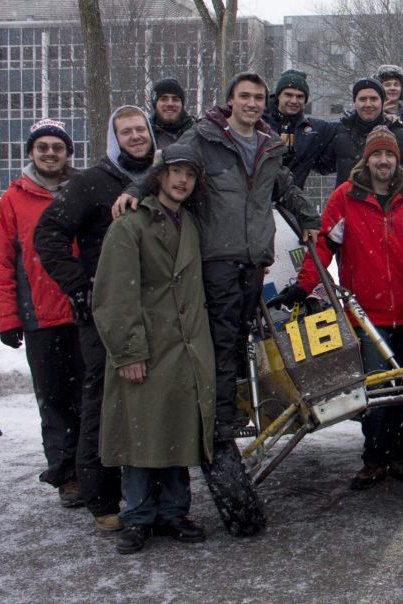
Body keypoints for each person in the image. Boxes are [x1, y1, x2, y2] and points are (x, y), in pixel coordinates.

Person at [115, 72, 321, 448]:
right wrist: (133, 190)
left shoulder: (269, 145)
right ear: (231, 99)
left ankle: (229, 408)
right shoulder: (206, 137)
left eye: (259, 97)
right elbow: (164, 163)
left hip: (255, 258)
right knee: (222, 340)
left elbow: (286, 186)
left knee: (242, 336)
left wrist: (309, 219)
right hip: (217, 258)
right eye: (245, 96)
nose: (252, 103)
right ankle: (220, 419)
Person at [271, 127, 403, 495]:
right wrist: (302, 287)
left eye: (389, 156)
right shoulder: (345, 197)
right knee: (376, 392)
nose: (383, 161)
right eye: (377, 155)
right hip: (367, 315)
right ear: (367, 160)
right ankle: (375, 459)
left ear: (397, 160)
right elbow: (323, 250)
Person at [35, 105, 157, 532]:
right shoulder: (91, 182)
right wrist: (79, 285)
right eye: (126, 132)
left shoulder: (161, 179)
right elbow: (47, 233)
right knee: (102, 403)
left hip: (153, 310)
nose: (136, 137)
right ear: (114, 137)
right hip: (104, 312)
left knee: (147, 404)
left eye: (141, 129)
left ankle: (147, 496)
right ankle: (101, 498)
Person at [92, 144, 214, 554]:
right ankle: (138, 516)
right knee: (141, 435)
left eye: (190, 175)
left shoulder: (191, 224)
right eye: (175, 172)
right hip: (148, 346)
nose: (182, 181)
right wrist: (129, 353)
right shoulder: (129, 226)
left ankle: (174, 512)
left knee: (176, 430)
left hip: (184, 348)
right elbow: (113, 296)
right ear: (159, 176)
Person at [0, 119, 84, 508]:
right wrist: (8, 319)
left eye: (57, 147)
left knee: (89, 396)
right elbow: (0, 263)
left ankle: (94, 466)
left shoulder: (81, 191)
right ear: (31, 153)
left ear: (67, 154)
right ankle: (66, 474)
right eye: (42, 147)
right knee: (55, 399)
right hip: (40, 317)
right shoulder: (13, 198)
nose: (49, 153)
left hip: (83, 312)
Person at [320, 78, 403, 188]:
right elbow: (322, 166)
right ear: (355, 102)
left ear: (382, 103)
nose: (368, 104)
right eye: (362, 99)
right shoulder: (340, 133)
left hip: (385, 203)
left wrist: (392, 169)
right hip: (347, 202)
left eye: (373, 99)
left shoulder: (399, 134)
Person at [262, 69, 336, 188]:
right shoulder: (259, 122)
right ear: (278, 96)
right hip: (257, 200)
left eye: (300, 96)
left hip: (291, 201)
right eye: (288, 95)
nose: (294, 101)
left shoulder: (313, 130)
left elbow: (346, 127)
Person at [150, 78, 194, 150]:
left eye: (175, 99)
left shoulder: (197, 133)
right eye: (164, 99)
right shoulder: (145, 135)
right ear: (155, 104)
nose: (170, 104)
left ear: (182, 104)